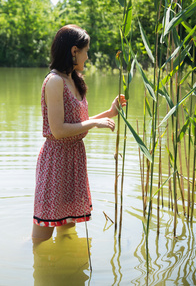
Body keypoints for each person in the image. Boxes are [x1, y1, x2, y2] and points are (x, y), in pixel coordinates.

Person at [32, 24, 126, 243]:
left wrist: (110, 113)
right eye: (86, 50)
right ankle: (37, 268)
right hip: (56, 162)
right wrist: (94, 123)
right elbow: (59, 130)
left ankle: (66, 272)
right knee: (42, 236)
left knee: (67, 232)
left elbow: (78, 122)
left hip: (74, 161)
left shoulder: (75, 79)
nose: (88, 56)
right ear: (74, 51)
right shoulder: (54, 81)